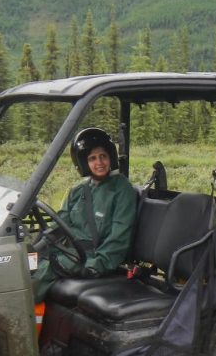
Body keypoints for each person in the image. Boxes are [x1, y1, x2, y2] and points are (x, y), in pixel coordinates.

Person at [32, 127, 138, 303]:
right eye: (92, 158)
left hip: (92, 258)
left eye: (103, 156)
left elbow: (119, 237)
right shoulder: (78, 191)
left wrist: (95, 266)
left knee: (41, 273)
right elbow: (60, 224)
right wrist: (38, 246)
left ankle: (15, 315)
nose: (99, 162)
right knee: (25, 262)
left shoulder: (122, 189)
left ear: (110, 157)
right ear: (83, 162)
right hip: (70, 251)